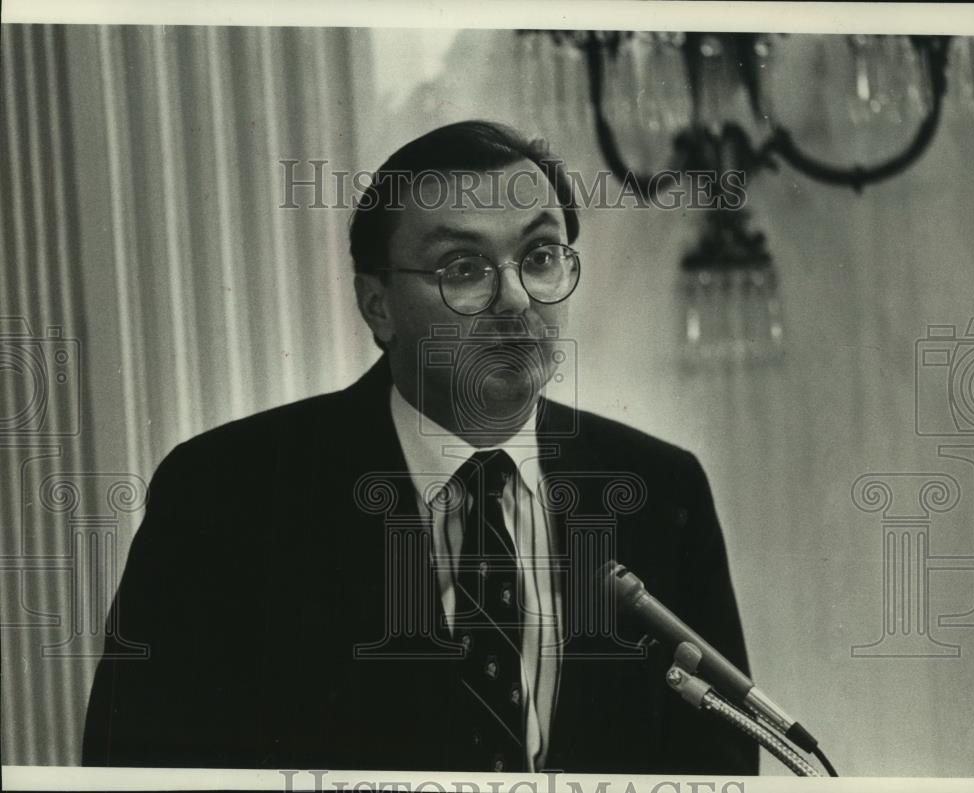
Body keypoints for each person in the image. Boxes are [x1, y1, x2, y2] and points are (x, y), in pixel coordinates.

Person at [82, 120, 758, 775]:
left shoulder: (660, 487)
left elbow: (720, 760)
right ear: (378, 305)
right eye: (463, 267)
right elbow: (133, 765)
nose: (516, 299)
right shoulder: (227, 492)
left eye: (541, 256)